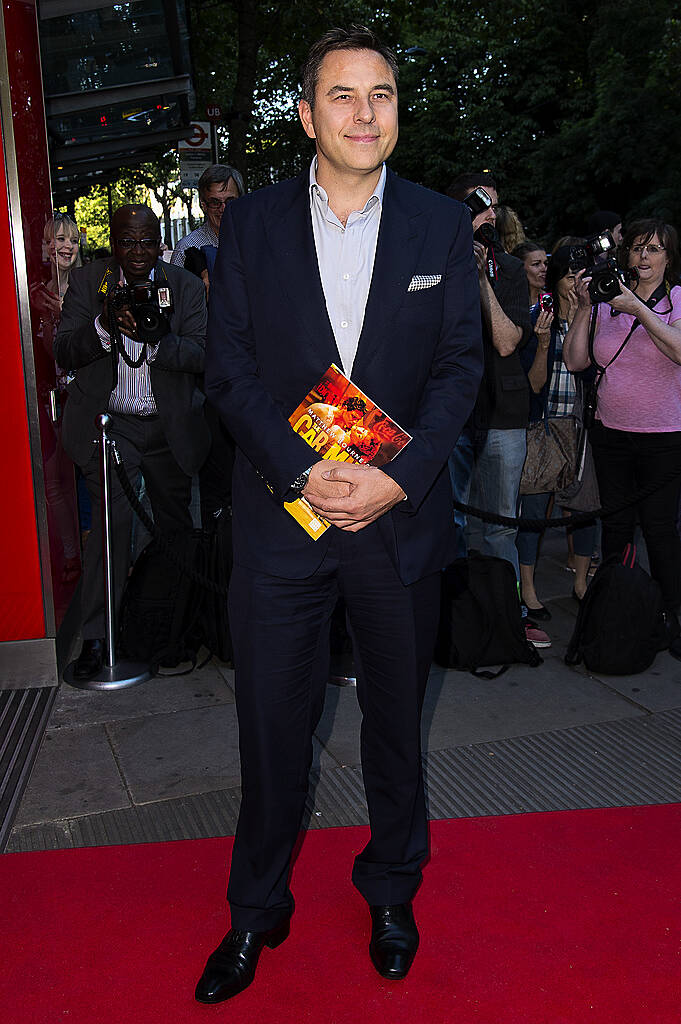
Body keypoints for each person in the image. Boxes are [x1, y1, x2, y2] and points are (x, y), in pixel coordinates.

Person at [196, 25, 483, 1003]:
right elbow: (228, 372)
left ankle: (392, 889)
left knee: (396, 724)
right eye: (345, 95)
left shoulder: (441, 228)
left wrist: (397, 480)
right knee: (272, 725)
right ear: (309, 112)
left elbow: (458, 371)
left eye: (384, 95)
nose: (367, 113)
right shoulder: (255, 225)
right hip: (285, 522)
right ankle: (254, 910)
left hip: (397, 521)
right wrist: (298, 472)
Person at [54, 204, 210, 680]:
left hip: (169, 429)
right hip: (111, 427)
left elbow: (206, 354)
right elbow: (63, 350)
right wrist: (103, 328)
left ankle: (174, 629)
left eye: (146, 242)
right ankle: (101, 639)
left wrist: (160, 340)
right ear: (114, 242)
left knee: (174, 530)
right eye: (127, 242)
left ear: (159, 242)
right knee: (111, 526)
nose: (137, 252)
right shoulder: (90, 283)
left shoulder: (182, 286)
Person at [563, 218, 681, 653]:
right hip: (611, 433)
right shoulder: (604, 302)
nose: (643, 257)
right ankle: (609, 613)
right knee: (616, 527)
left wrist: (638, 310)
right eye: (636, 249)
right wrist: (581, 307)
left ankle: (672, 614)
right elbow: (576, 362)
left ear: (669, 259)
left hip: (664, 435)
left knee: (660, 529)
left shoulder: (677, 301)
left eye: (654, 250)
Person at [446, 173, 550, 648]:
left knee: (499, 527)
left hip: (503, 413)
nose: (490, 215)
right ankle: (454, 620)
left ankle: (507, 619)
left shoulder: (508, 270)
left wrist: (480, 276)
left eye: (493, 208)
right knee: (452, 525)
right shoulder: (432, 263)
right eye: (479, 206)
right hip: (449, 415)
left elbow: (507, 339)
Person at [516, 245, 599, 615]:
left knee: (585, 509)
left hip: (582, 428)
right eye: (569, 276)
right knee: (533, 510)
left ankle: (581, 582)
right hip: (544, 426)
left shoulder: (596, 321)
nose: (576, 284)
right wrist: (545, 340)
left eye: (582, 277)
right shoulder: (539, 320)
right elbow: (533, 385)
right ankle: (528, 589)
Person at [170, 163, 245, 284]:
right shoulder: (186, 249)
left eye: (230, 201)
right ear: (203, 205)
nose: (223, 208)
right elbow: (177, 296)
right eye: (215, 202)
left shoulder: (255, 240)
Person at [512, 240, 548, 307]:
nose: (544, 268)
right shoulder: (508, 301)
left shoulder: (549, 299)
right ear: (520, 268)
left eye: (545, 263)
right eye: (536, 264)